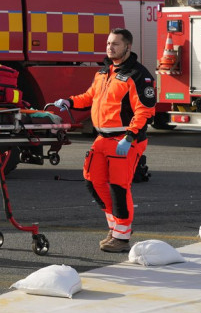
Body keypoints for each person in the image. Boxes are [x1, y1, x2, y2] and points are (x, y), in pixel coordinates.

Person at [54, 28, 156, 253]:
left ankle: (121, 237)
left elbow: (145, 110)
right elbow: (90, 97)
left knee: (119, 187)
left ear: (128, 47)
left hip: (125, 138)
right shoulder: (103, 72)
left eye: (115, 44)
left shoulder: (138, 75)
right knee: (93, 181)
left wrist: (129, 137)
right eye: (109, 43)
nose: (110, 47)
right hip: (103, 137)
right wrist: (70, 102)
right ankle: (115, 227)